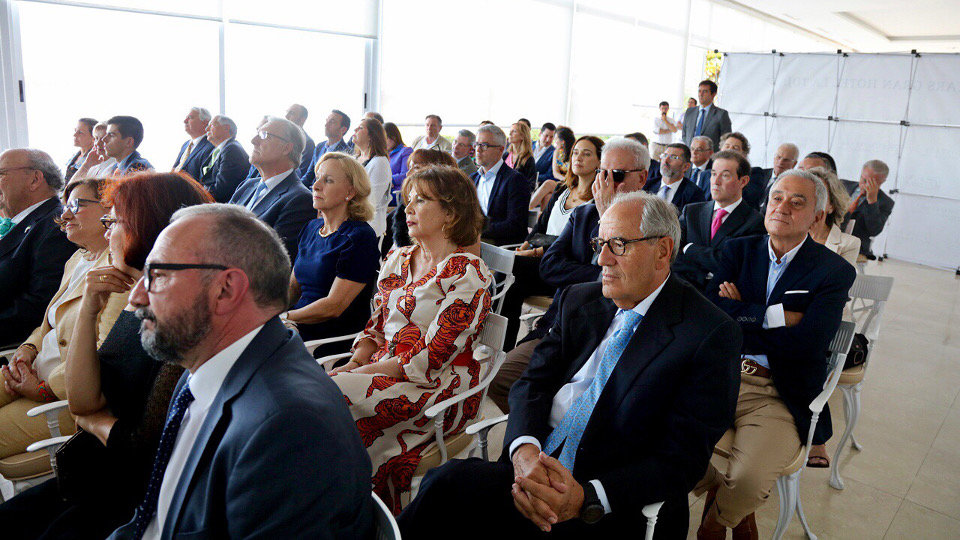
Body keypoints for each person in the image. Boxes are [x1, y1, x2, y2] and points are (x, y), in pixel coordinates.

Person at [399, 191, 742, 539]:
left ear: (663, 251)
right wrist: (524, 451)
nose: (602, 259)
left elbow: (682, 458)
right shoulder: (580, 299)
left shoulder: (708, 333)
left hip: (611, 502)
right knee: (445, 483)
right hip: (531, 471)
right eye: (600, 243)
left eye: (619, 244)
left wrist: (585, 498)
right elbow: (532, 384)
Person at [106, 203, 372, 539]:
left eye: (157, 276)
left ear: (226, 289)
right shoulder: (202, 368)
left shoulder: (288, 427)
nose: (136, 295)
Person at [0, 173, 214, 539]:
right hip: (97, 466)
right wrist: (86, 309)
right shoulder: (137, 303)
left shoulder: (184, 327)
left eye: (113, 221)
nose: (107, 232)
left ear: (149, 229)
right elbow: (85, 403)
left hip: (128, 490)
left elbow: (142, 455)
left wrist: (95, 421)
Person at [696, 169, 856, 539]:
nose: (783, 207)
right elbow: (712, 316)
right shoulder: (738, 249)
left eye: (797, 202)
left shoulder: (833, 271)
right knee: (656, 434)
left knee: (750, 480)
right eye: (778, 197)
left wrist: (741, 315)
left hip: (779, 392)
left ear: (817, 216)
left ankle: (715, 524)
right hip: (721, 375)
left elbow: (809, 344)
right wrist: (775, 316)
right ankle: (734, 505)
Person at [330, 165, 491, 513]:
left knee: (327, 397)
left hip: (435, 386)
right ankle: (327, 499)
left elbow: (431, 359)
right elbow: (375, 325)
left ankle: (350, 508)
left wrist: (357, 376)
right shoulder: (398, 258)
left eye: (422, 200)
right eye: (408, 200)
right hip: (381, 369)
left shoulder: (467, 272)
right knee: (315, 391)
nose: (408, 208)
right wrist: (356, 361)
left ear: (451, 212)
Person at [488, 137, 649, 413]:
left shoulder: (654, 222)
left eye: (618, 175)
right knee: (500, 381)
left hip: (614, 337)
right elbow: (550, 266)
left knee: (576, 398)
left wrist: (607, 216)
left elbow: (629, 282)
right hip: (561, 325)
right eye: (603, 174)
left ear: (642, 178)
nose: (607, 184)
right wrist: (596, 275)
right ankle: (539, 433)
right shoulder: (583, 215)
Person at [0, 177, 127, 461]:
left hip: (63, 397)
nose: (64, 214)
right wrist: (27, 350)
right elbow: (48, 323)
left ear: (110, 209)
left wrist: (44, 388)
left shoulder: (119, 272)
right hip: (30, 371)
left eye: (76, 205)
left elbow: (106, 354)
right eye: (65, 206)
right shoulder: (77, 259)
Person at [501, 135, 603, 351]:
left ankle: (498, 341)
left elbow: (576, 244)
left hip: (559, 267)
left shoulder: (596, 201)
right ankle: (504, 346)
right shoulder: (560, 190)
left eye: (586, 154)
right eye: (575, 152)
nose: (578, 158)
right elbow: (540, 227)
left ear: (599, 162)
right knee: (511, 285)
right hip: (538, 260)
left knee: (509, 267)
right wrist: (525, 246)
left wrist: (535, 252)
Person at [285, 153, 380, 356]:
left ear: (350, 192)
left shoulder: (359, 237)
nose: (315, 185)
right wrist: (266, 312)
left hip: (327, 336)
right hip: (295, 323)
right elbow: (294, 288)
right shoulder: (312, 227)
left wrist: (284, 317)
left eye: (327, 180)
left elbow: (333, 307)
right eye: (317, 178)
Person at [0, 149, 76, 347]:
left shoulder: (55, 226)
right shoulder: (23, 222)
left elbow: (39, 305)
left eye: (1, 174)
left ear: (35, 179)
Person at [673, 150, 765, 291]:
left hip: (721, 299)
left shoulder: (754, 221)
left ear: (743, 181)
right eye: (714, 174)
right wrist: (704, 274)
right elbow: (673, 254)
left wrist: (689, 248)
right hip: (684, 290)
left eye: (725, 175)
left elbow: (734, 265)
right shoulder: (691, 212)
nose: (716, 182)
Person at [229, 117, 314, 262]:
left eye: (264, 135)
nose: (254, 140)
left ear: (286, 148)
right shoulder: (247, 186)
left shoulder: (300, 199)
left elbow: (274, 259)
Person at [473, 124, 531, 245]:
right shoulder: (472, 179)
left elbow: (515, 225)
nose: (478, 150)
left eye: (484, 145)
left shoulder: (515, 180)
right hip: (475, 240)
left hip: (499, 245)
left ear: (500, 150)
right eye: (477, 144)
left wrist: (476, 230)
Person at [391, 149, 458, 250]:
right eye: (409, 168)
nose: (408, 173)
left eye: (416, 168)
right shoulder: (400, 255)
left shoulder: (464, 260)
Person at [841, 159, 894, 260]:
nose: (865, 186)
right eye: (864, 180)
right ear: (860, 174)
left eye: (872, 184)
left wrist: (872, 202)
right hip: (831, 236)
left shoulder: (885, 202)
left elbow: (874, 231)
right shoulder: (843, 185)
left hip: (856, 246)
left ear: (882, 181)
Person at [352, 117, 392, 237]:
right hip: (350, 223)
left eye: (360, 128)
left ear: (371, 136)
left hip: (369, 228)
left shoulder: (380, 162)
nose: (355, 129)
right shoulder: (354, 159)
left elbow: (371, 201)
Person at [198, 115, 250, 203]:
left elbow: (221, 190)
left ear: (226, 128)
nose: (206, 129)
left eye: (211, 125)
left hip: (221, 206)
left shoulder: (232, 150)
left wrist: (198, 194)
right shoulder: (218, 150)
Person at [645, 143, 705, 214]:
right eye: (664, 155)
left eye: (673, 157)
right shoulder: (647, 185)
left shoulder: (694, 194)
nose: (666, 160)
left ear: (686, 166)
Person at [301, 109, 353, 186]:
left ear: (343, 129)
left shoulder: (347, 153)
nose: (326, 124)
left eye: (332, 122)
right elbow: (309, 175)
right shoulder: (320, 146)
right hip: (312, 190)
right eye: (327, 120)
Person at [717, 132, 766, 210]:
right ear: (720, 150)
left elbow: (748, 198)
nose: (730, 150)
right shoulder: (709, 173)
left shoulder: (755, 174)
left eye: (735, 148)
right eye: (727, 146)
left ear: (744, 154)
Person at [682, 80, 732, 150]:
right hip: (690, 155)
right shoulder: (689, 112)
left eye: (705, 91)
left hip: (711, 157)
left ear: (713, 94)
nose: (701, 94)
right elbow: (684, 134)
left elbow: (726, 139)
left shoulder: (721, 114)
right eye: (699, 91)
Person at [172, 107, 214, 180]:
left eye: (190, 117)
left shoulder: (211, 146)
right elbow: (174, 169)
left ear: (204, 122)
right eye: (186, 118)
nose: (185, 121)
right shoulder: (186, 145)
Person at [757, 143, 800, 213]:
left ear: (794, 164)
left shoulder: (793, 185)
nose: (780, 162)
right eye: (778, 157)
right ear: (774, 158)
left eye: (786, 160)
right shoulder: (758, 174)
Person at [385, 121, 414, 202]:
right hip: (384, 190)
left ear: (394, 137)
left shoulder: (406, 151)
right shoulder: (382, 154)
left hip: (397, 193)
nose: (384, 142)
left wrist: (388, 181)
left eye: (386, 138)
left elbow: (406, 175)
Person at [286, 103, 316, 177]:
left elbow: (301, 174)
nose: (286, 116)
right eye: (287, 112)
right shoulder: (280, 138)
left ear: (302, 119)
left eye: (291, 113)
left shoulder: (308, 143)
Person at [506, 122, 537, 189]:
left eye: (514, 131)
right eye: (510, 131)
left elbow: (531, 184)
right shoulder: (505, 155)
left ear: (522, 136)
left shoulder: (528, 159)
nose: (510, 134)